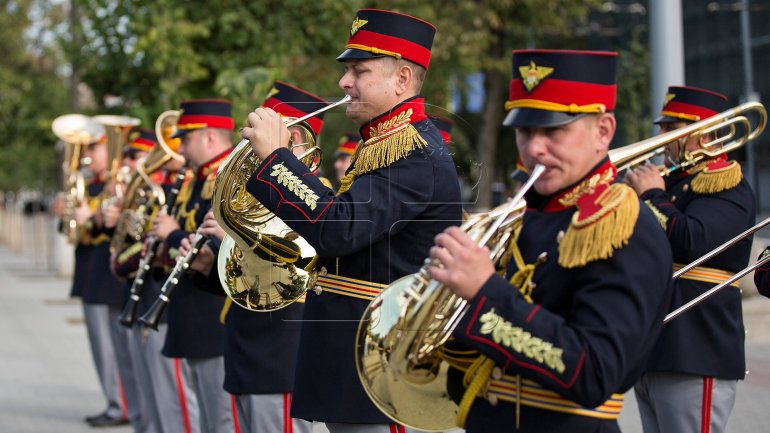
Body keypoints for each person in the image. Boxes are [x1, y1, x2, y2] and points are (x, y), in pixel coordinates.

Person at [427, 49, 674, 433]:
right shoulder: (525, 215)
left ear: (603, 131)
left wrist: (485, 291)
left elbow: (593, 371)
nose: (534, 149)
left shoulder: (619, 224)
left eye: (554, 131)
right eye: (525, 132)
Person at [241, 8, 462, 432]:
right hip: (351, 354)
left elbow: (338, 229)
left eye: (359, 71)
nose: (344, 82)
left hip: (383, 359)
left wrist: (277, 160)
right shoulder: (383, 143)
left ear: (401, 79)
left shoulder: (413, 152)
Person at [180, 80, 330, 433]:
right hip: (245, 350)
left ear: (291, 139)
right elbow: (243, 277)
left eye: (259, 132)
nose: (246, 141)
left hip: (278, 355)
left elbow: (291, 272)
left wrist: (237, 238)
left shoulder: (315, 197)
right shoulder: (257, 199)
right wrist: (206, 262)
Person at [626, 85, 756, 433]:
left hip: (695, 345)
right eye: (664, 127)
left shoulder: (725, 182)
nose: (661, 136)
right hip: (654, 346)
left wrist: (651, 196)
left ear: (700, 132)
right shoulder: (671, 183)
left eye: (671, 129)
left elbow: (692, 241)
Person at [151, 99, 236, 433]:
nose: (181, 149)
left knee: (220, 420)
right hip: (195, 318)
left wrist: (171, 236)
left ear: (210, 138)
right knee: (208, 418)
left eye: (186, 140)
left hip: (212, 318)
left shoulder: (227, 178)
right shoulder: (197, 180)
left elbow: (212, 248)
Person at [75, 133, 132, 427]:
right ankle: (116, 402)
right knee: (102, 346)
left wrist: (92, 217)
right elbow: (78, 232)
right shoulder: (92, 183)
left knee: (113, 347)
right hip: (91, 273)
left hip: (110, 276)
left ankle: (119, 404)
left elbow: (114, 224)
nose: (86, 154)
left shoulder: (117, 183)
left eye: (93, 148)